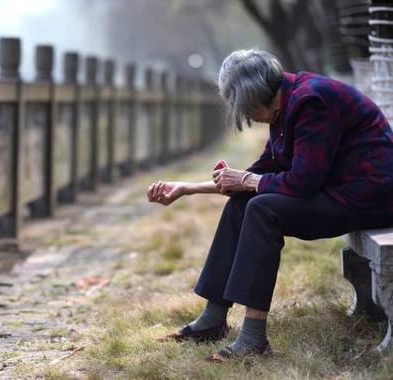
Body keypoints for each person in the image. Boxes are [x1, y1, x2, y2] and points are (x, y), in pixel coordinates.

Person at [147, 49, 393, 363]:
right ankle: (213, 320)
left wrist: (248, 181)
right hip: (342, 192)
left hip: (370, 197)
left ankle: (252, 340)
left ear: (253, 96)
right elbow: (259, 174)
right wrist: (188, 188)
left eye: (244, 108)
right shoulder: (285, 106)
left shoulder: (311, 102)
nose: (247, 117)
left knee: (263, 208)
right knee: (244, 203)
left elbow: (301, 183)